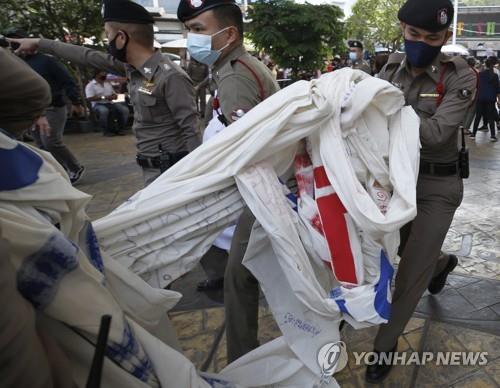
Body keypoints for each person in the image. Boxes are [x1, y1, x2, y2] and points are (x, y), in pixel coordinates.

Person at [365, 0, 477, 383]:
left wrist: (386, 109)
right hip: (396, 181)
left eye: (433, 37)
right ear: (402, 28)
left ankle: (385, 344)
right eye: (414, 35)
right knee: (399, 251)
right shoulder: (389, 65)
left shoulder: (460, 76)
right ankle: (441, 263)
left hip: (436, 185)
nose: (422, 43)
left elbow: (435, 134)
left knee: (410, 269)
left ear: (446, 36)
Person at [178, 0, 279, 362]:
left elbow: (249, 147)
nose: (191, 38)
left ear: (229, 33)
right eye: (188, 29)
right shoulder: (232, 67)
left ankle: (242, 359)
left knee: (240, 277)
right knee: (242, 274)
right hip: (264, 187)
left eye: (198, 29)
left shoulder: (236, 75)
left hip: (264, 190)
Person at [11, 0, 200, 187]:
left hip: (171, 172)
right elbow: (86, 56)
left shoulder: (170, 76)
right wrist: (38, 43)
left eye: (107, 34)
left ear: (121, 37)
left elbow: (190, 130)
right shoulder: (132, 68)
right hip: (150, 167)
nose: (106, 40)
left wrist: (197, 179)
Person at [5, 28, 86, 184]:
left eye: (17, 40)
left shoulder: (47, 60)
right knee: (41, 144)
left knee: (51, 141)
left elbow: (67, 80)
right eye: (11, 42)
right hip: (32, 111)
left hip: (53, 107)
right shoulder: (17, 62)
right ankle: (59, 171)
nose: (16, 45)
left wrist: (76, 102)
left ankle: (75, 167)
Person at [85, 70, 130, 136]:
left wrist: (114, 96)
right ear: (96, 75)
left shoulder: (107, 84)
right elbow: (89, 98)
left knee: (124, 110)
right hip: (98, 104)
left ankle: (120, 129)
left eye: (105, 74)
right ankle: (106, 130)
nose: (105, 75)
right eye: (102, 73)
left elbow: (114, 94)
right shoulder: (90, 85)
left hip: (110, 102)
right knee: (104, 111)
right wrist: (104, 97)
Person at [470, 58, 500, 141]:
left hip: (481, 97)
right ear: (493, 65)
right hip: (491, 98)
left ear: (485, 65)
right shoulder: (495, 75)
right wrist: (498, 101)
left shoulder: (480, 74)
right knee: (491, 117)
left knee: (478, 116)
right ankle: (493, 136)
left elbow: (477, 87)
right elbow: (498, 89)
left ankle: (473, 134)